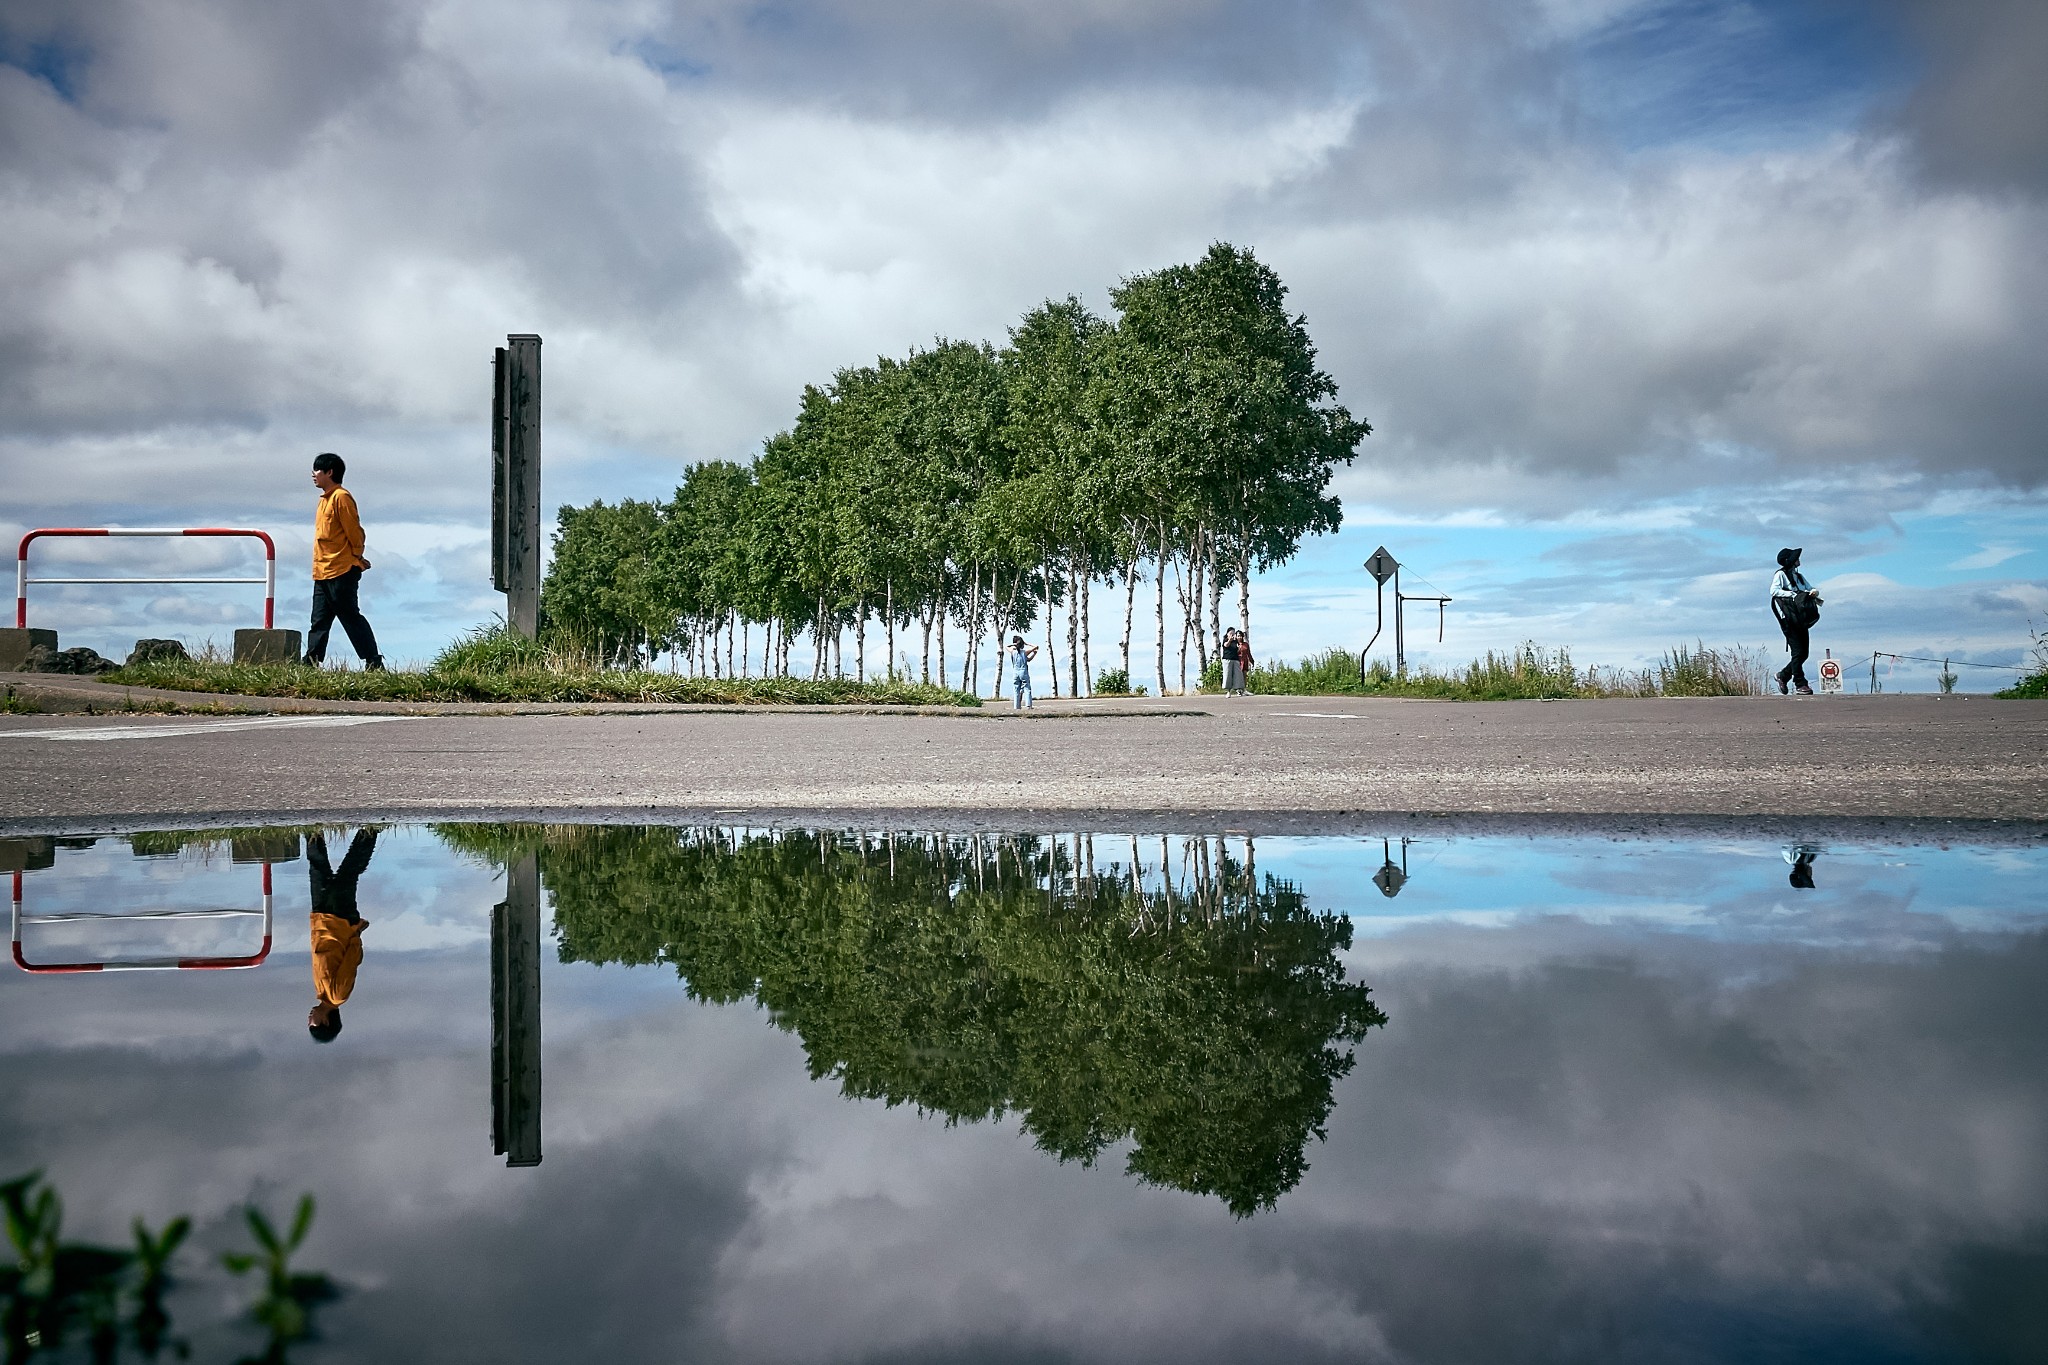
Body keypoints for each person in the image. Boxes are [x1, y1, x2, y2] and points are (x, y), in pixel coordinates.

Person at [305, 452, 384, 670]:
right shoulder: (323, 501)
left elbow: (354, 531)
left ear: (329, 472)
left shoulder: (341, 497)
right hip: (322, 571)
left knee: (350, 617)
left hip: (341, 569)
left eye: (317, 470)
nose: (313, 475)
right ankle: (311, 662)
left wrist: (357, 556)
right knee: (318, 620)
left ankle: (373, 661)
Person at [307, 828, 377, 1042]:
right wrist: (355, 932)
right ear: (326, 1022)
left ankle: (312, 830)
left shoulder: (321, 992)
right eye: (313, 1023)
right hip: (340, 921)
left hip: (321, 919)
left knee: (318, 869)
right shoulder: (338, 995)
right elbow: (350, 961)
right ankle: (370, 832)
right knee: (348, 874)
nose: (309, 1018)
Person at [1769, 547, 1821, 695]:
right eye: (1796, 557)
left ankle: (1783, 676)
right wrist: (1792, 594)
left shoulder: (1799, 577)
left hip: (1800, 618)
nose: (1799, 559)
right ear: (1790, 561)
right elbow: (1774, 590)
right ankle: (1800, 683)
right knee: (1798, 652)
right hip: (1788, 618)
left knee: (1804, 653)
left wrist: (1812, 593)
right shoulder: (1780, 575)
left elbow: (1808, 588)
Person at [1008, 634, 1039, 710]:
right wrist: (1027, 644)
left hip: (1015, 672)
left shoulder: (1013, 652)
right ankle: (1028, 705)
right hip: (1023, 672)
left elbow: (1007, 646)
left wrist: (1014, 644)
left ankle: (1017, 706)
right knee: (1027, 688)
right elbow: (1036, 647)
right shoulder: (1024, 652)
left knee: (1016, 690)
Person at [1220, 629, 1245, 695]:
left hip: (1235, 659)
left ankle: (1239, 689)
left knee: (1238, 675)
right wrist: (1229, 640)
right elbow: (1226, 645)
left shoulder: (1235, 641)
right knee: (1228, 675)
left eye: (1233, 634)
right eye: (1231, 633)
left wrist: (1238, 648)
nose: (1232, 635)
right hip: (1227, 659)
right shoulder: (1225, 640)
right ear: (1227, 633)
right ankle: (1228, 691)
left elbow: (1237, 650)